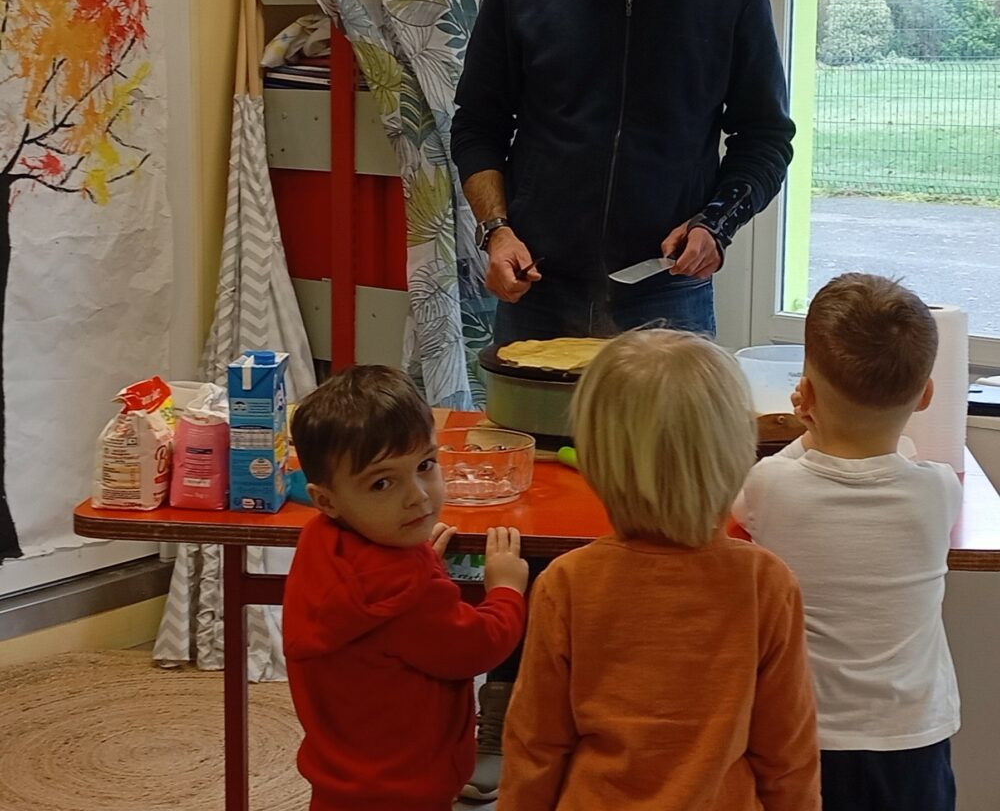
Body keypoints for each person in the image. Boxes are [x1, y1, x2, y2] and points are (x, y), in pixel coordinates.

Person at [450, 0, 795, 346]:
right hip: (538, 285)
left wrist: (716, 224)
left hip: (666, 287)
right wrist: (497, 232)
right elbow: (477, 125)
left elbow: (766, 138)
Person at [493, 329, 820, 809]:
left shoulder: (566, 583)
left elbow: (534, 748)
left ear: (595, 460)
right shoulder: (766, 583)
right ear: (737, 453)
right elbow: (787, 755)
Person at [732, 273, 963, 811]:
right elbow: (902, 455)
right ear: (926, 395)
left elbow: (743, 504)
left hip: (806, 736)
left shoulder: (772, 486)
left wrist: (809, 432)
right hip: (913, 737)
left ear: (806, 395)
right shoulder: (937, 490)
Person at [283, 365, 529, 811]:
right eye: (382, 482)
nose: (417, 495)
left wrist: (420, 564)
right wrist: (505, 591)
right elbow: (478, 646)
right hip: (409, 785)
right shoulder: (407, 593)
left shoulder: (320, 540)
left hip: (342, 779)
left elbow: (378, 614)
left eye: (425, 465)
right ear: (326, 499)